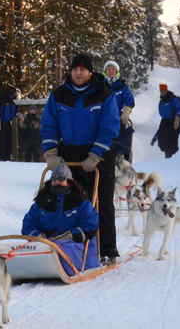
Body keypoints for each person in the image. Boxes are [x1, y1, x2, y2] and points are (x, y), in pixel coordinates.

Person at [40, 52, 121, 262]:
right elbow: (49, 124)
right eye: (75, 68)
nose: (78, 72)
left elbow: (110, 126)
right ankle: (68, 248)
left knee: (101, 202)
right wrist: (51, 153)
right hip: (69, 154)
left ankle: (106, 250)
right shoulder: (59, 95)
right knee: (66, 200)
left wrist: (96, 155)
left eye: (83, 69)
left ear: (90, 72)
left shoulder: (104, 93)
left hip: (99, 155)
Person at [21, 164, 101, 271]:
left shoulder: (80, 201)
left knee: (58, 250)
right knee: (27, 250)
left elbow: (91, 223)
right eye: (54, 180)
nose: (57, 183)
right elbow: (28, 223)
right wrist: (37, 235)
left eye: (61, 179)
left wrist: (73, 235)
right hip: (46, 243)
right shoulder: (42, 201)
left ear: (69, 182)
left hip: (74, 245)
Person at [102, 59, 136, 168]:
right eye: (108, 69)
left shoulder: (122, 87)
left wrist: (126, 111)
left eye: (113, 69)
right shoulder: (100, 86)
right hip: (103, 118)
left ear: (117, 72)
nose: (111, 71)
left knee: (126, 131)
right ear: (105, 71)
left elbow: (129, 100)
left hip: (119, 118)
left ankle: (124, 159)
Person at [154, 84, 180, 158]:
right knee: (163, 140)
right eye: (161, 91)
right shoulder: (162, 101)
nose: (162, 92)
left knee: (171, 140)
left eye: (163, 90)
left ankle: (172, 158)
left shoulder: (173, 99)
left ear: (166, 90)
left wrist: (177, 118)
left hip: (174, 122)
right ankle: (167, 156)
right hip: (165, 121)